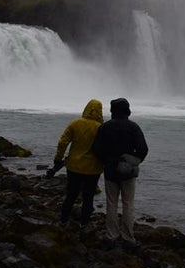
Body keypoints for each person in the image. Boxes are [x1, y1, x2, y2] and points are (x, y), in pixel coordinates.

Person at [92, 97, 148, 248]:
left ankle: (111, 236)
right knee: (128, 204)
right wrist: (132, 162)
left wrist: (107, 162)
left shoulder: (105, 127)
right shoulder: (133, 127)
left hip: (110, 171)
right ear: (127, 110)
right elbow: (143, 149)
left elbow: (96, 149)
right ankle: (128, 238)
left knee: (111, 203)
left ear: (112, 111)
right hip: (128, 172)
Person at [47, 98, 104, 228]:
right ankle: (84, 224)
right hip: (93, 168)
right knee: (88, 197)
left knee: (71, 195)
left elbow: (63, 142)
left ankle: (63, 221)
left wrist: (58, 158)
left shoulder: (75, 123)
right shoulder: (101, 128)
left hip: (74, 166)